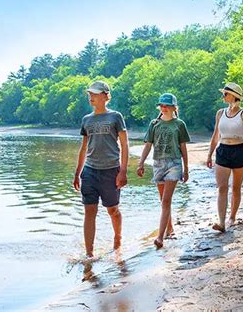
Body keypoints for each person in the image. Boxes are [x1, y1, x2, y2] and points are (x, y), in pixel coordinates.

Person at [73, 81, 129, 258]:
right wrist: (77, 173)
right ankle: (89, 255)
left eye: (95, 93)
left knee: (112, 210)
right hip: (89, 171)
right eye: (90, 93)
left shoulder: (115, 117)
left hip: (111, 171)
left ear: (105, 96)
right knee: (89, 211)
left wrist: (123, 171)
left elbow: (125, 144)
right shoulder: (86, 120)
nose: (91, 96)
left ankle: (118, 238)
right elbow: (83, 148)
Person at [137, 93, 190, 249]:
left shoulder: (179, 124)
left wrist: (186, 169)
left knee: (166, 200)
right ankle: (170, 228)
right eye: (161, 105)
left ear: (174, 107)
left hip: (174, 163)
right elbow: (147, 144)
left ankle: (160, 237)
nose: (164, 108)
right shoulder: (154, 124)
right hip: (158, 164)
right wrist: (140, 163)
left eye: (167, 105)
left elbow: (183, 147)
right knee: (163, 201)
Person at [207, 82, 243, 233]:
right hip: (223, 150)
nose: (223, 96)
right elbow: (216, 135)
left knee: (235, 188)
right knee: (222, 187)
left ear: (233, 96)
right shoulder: (220, 113)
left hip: (239, 150)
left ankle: (232, 217)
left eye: (225, 93)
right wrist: (209, 154)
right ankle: (221, 222)